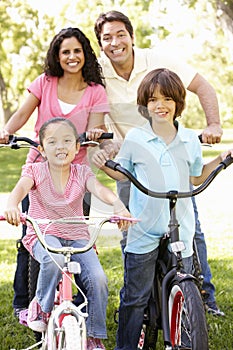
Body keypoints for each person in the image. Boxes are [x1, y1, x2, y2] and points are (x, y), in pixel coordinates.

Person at [94, 10, 224, 316]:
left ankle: (202, 297)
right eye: (107, 38)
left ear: (132, 36)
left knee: (188, 227)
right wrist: (106, 144)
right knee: (133, 233)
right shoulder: (96, 71)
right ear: (100, 44)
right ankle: (138, 301)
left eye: (120, 34)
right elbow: (96, 120)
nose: (115, 43)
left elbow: (202, 86)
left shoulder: (158, 60)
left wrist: (214, 124)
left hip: (168, 153)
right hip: (132, 160)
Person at [92, 68, 233, 349]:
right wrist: (104, 164)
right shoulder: (136, 138)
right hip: (144, 225)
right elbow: (123, 174)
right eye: (154, 99)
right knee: (135, 297)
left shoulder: (190, 139)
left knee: (186, 282)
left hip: (181, 223)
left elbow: (195, 177)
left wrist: (220, 158)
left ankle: (183, 331)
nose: (160, 105)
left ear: (178, 103)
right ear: (145, 105)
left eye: (167, 99)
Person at [0, 27, 110, 318]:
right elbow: (23, 114)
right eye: (65, 52)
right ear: (57, 56)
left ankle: (68, 301)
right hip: (40, 169)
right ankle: (24, 303)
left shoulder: (96, 90)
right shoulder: (45, 82)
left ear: (85, 53)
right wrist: (7, 131)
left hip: (75, 176)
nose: (72, 57)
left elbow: (96, 128)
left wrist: (97, 132)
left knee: (74, 240)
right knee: (32, 236)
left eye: (77, 51)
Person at [4, 117, 131, 350]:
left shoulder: (81, 173)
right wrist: (12, 205)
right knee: (55, 261)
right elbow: (20, 189)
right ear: (41, 149)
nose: (60, 147)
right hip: (44, 233)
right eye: (52, 142)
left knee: (98, 280)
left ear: (76, 147)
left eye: (66, 141)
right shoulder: (35, 170)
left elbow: (100, 190)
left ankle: (94, 335)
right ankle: (41, 308)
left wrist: (118, 206)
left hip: (78, 236)